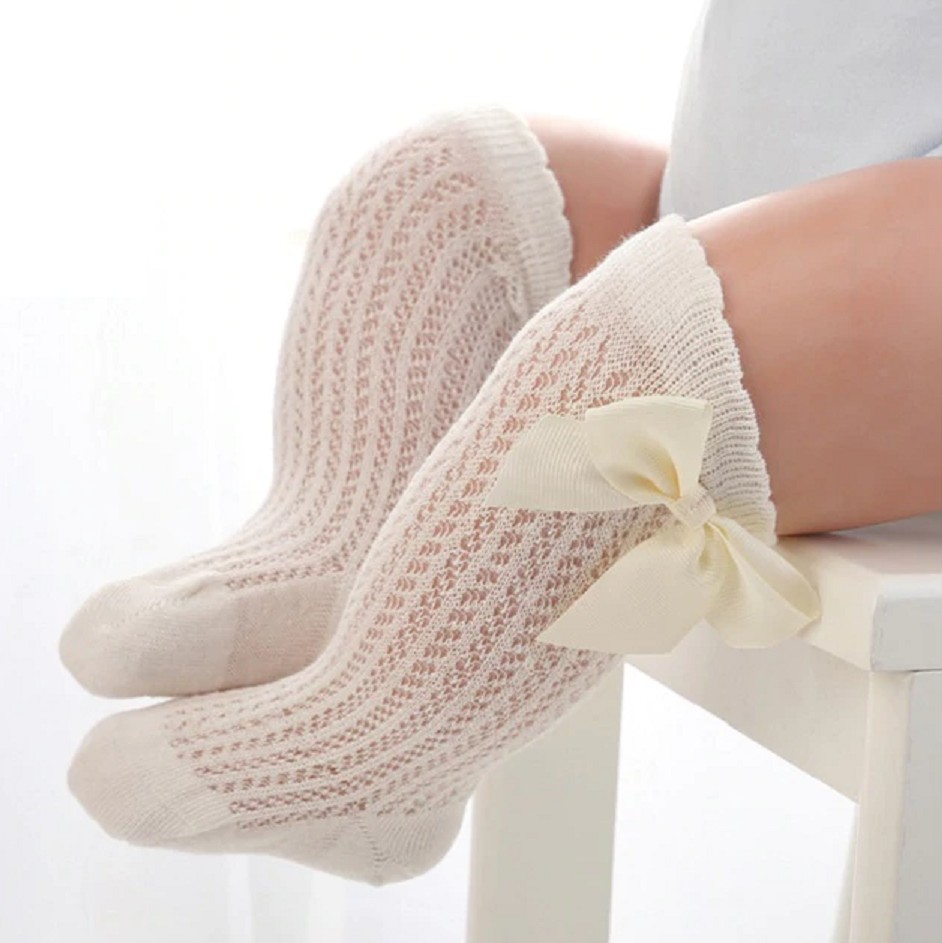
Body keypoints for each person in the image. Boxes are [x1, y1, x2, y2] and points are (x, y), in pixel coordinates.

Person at [61, 0, 941, 886]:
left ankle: (386, 733)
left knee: (649, 341)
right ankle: (334, 556)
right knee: (428, 195)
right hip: (752, 187)